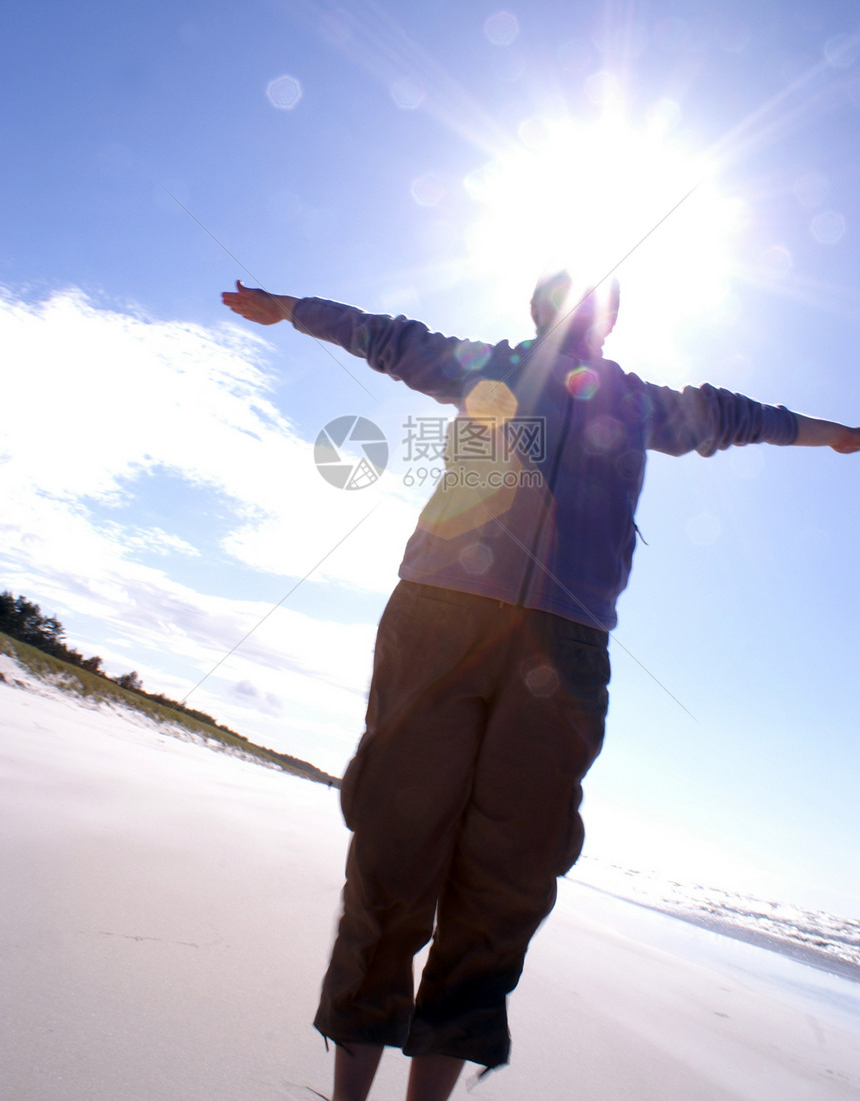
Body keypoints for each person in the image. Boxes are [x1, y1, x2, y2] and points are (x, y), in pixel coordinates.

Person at [222, 273, 860, 1101]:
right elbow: (383, 334)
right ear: (539, 314)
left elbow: (737, 416)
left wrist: (836, 433)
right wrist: (292, 308)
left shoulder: (639, 406)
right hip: (439, 621)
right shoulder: (480, 365)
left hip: (563, 649)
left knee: (506, 886)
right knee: (392, 854)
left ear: (614, 323)